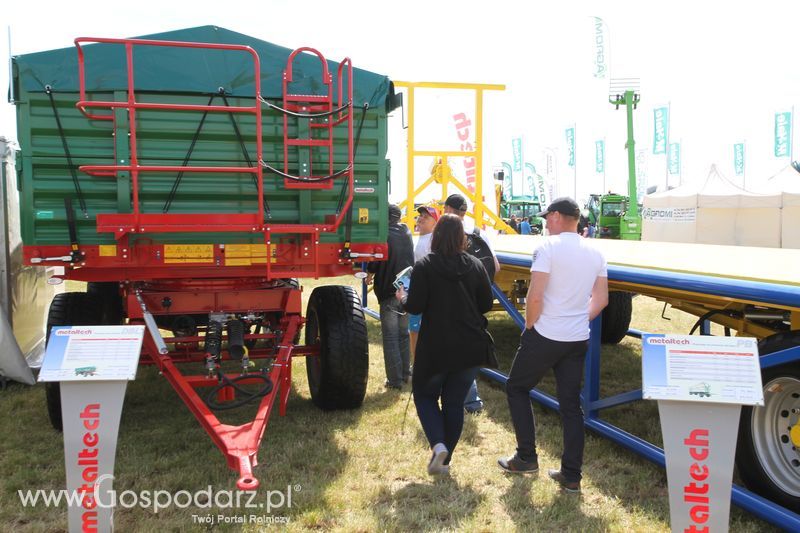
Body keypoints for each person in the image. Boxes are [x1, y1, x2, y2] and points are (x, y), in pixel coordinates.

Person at [498, 197, 609, 494]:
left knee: (516, 388)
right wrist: (578, 318)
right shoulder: (596, 251)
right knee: (571, 407)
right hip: (577, 337)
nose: (546, 222)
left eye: (548, 217)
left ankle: (526, 457)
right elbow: (601, 299)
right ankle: (571, 475)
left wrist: (530, 324)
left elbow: (535, 296)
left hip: (546, 334)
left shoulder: (547, 248)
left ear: (558, 216)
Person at [396, 214, 493, 475]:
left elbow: (415, 306)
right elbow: (486, 304)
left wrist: (403, 297)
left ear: (436, 236)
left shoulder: (425, 266)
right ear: (462, 238)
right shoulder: (475, 265)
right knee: (454, 403)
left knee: (425, 395)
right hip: (470, 345)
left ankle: (438, 445)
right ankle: (445, 459)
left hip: (436, 346)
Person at [443, 193, 500, 414]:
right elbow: (495, 266)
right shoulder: (479, 232)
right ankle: (471, 401)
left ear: (448, 209)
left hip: (451, 302)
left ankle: (458, 399)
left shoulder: (445, 232)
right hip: (474, 302)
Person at [366, 204, 415, 389]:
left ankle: (394, 381)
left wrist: (369, 274)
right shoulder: (406, 232)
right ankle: (406, 374)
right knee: (404, 335)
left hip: (388, 292)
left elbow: (376, 260)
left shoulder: (383, 234)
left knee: (391, 338)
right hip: (407, 289)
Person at [409, 205, 439, 361]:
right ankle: (416, 363)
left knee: (424, 331)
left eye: (426, 217)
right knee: (414, 330)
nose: (420, 219)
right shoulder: (418, 238)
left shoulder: (434, 241)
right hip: (417, 291)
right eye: (420, 216)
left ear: (435, 223)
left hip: (429, 295)